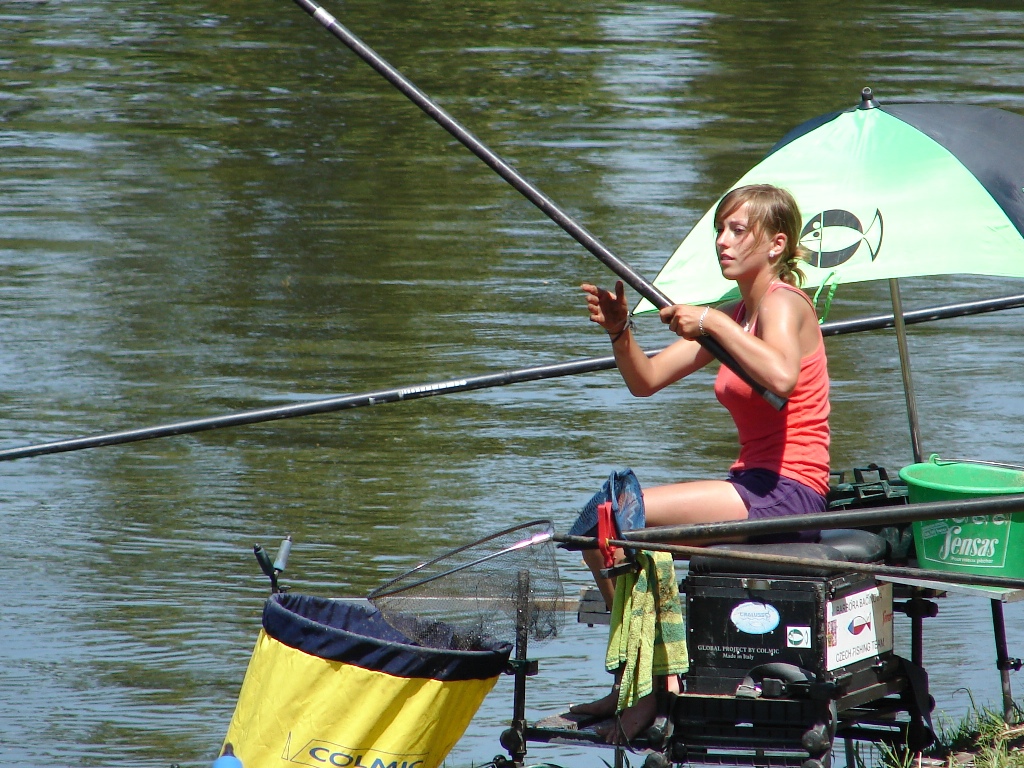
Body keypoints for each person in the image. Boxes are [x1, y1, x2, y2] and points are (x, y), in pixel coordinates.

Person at [570, 183, 831, 742]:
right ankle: (635, 681)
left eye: (738, 230)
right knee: (602, 529)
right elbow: (645, 380)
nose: (722, 242)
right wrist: (620, 330)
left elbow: (782, 376)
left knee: (619, 522)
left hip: (790, 491)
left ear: (776, 244)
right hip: (754, 483)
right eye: (720, 230)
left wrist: (711, 323)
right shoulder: (737, 315)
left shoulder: (783, 304)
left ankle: (652, 691)